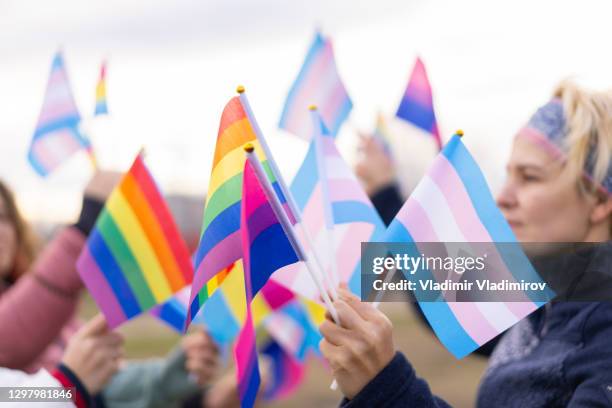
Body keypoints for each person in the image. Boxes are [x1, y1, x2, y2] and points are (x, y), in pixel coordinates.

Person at [321, 80, 612, 407]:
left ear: (600, 200)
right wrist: (386, 193)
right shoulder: (547, 305)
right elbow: (442, 292)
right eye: (509, 175)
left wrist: (384, 388)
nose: (503, 197)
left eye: (529, 176)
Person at [0, 173, 220, 407]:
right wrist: (66, 385)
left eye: (3, 216)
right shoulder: (33, 309)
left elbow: (105, 388)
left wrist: (175, 379)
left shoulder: (49, 313)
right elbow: (13, 394)